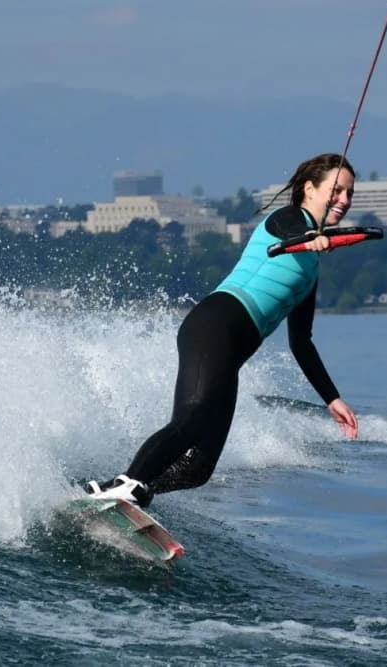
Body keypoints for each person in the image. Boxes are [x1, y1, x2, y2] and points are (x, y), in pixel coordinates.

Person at [85, 153, 360, 507]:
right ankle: (127, 485)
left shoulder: (310, 268)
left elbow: (301, 342)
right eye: (336, 191)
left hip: (231, 354)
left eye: (350, 194)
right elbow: (292, 232)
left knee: (198, 468)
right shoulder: (288, 219)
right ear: (309, 189)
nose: (344, 200)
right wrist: (311, 236)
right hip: (214, 324)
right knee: (190, 420)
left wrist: (331, 398)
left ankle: (132, 491)